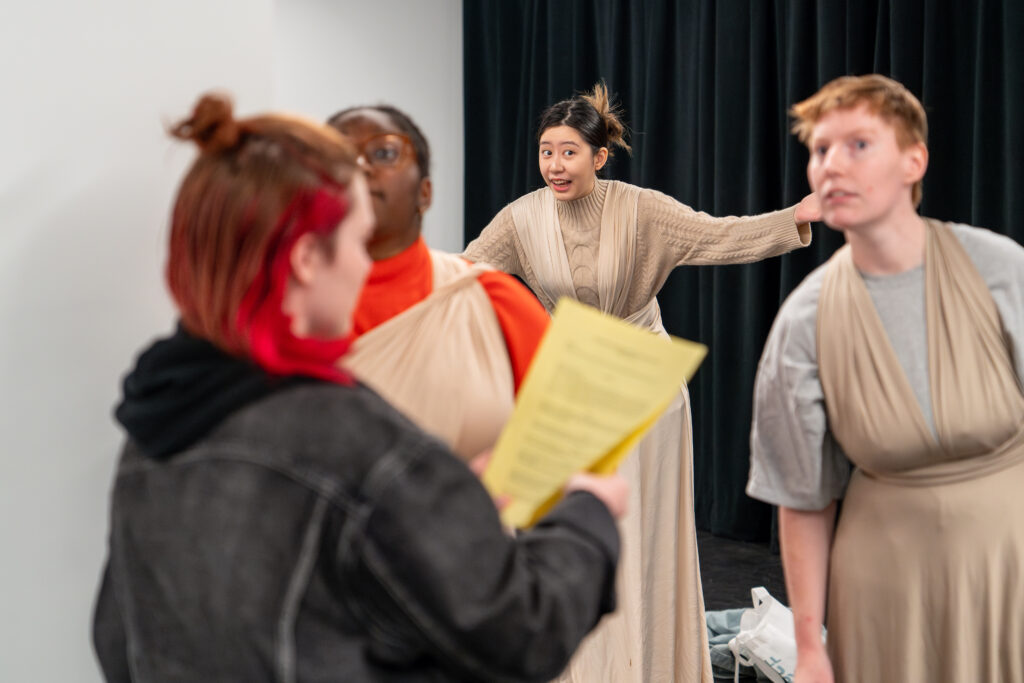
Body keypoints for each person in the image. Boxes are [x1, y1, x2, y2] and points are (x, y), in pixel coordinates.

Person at [91, 93, 631, 683]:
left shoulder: (149, 434)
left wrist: (436, 506)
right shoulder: (355, 442)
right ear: (304, 261)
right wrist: (588, 514)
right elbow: (528, 630)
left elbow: (119, 641)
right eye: (354, 239)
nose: (361, 264)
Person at [463, 83, 818, 683]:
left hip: (644, 389)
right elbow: (468, 272)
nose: (555, 164)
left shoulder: (642, 209)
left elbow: (718, 235)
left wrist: (793, 220)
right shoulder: (521, 218)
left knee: (641, 535)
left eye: (569, 151)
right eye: (546, 151)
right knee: (574, 534)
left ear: (599, 157)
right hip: (571, 385)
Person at [746, 74, 1024, 683]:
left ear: (913, 160)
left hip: (1011, 560)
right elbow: (802, 498)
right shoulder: (804, 321)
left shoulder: (999, 269)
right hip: (885, 587)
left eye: (858, 145)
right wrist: (810, 649)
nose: (832, 166)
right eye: (820, 150)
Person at [325, 105, 550, 461]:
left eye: (383, 153)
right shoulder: (279, 310)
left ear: (424, 193)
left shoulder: (493, 300)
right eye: (338, 157)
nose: (360, 167)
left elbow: (565, 459)